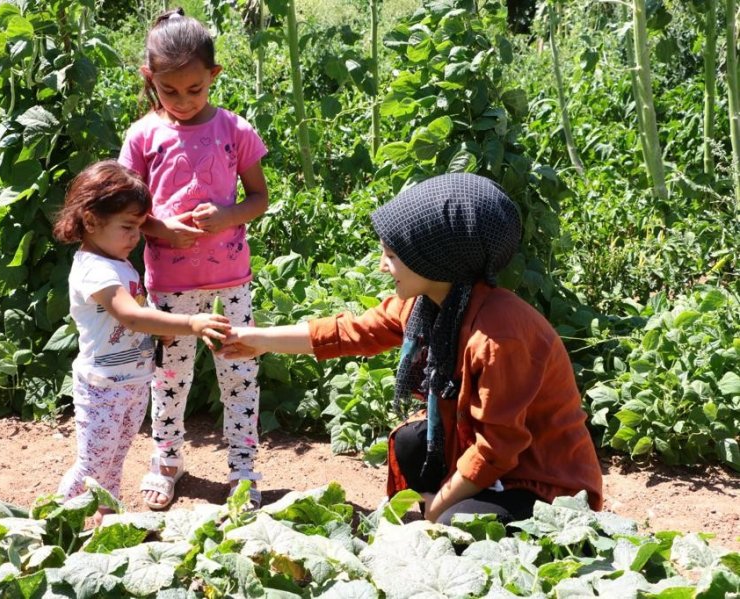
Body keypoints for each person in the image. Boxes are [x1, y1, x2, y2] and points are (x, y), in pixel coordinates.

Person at [219, 173, 603, 524]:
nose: (384, 266)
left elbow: (497, 450)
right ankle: (447, 506)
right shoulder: (429, 305)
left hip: (543, 485)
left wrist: (435, 512)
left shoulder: (500, 339)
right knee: (411, 442)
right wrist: (256, 340)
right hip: (489, 462)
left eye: (392, 256)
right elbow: (351, 332)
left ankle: (451, 512)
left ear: (435, 261)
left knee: (457, 527)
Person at [118, 7, 269, 510]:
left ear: (214, 77)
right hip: (168, 289)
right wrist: (159, 227)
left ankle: (243, 469)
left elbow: (258, 199)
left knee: (239, 374)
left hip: (232, 284)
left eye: (195, 89)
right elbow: (128, 208)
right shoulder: (142, 136)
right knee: (169, 377)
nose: (183, 101)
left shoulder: (234, 130)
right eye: (170, 91)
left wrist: (228, 217)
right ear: (149, 79)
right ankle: (166, 459)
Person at [52, 160, 230, 524]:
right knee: (92, 464)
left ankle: (108, 518)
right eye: (127, 227)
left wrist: (157, 329)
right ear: (90, 220)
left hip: (131, 383)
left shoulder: (116, 261)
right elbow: (128, 315)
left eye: (138, 226)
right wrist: (189, 323)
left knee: (114, 459)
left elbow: (136, 312)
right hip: (102, 386)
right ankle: (53, 519)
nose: (136, 237)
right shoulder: (95, 269)